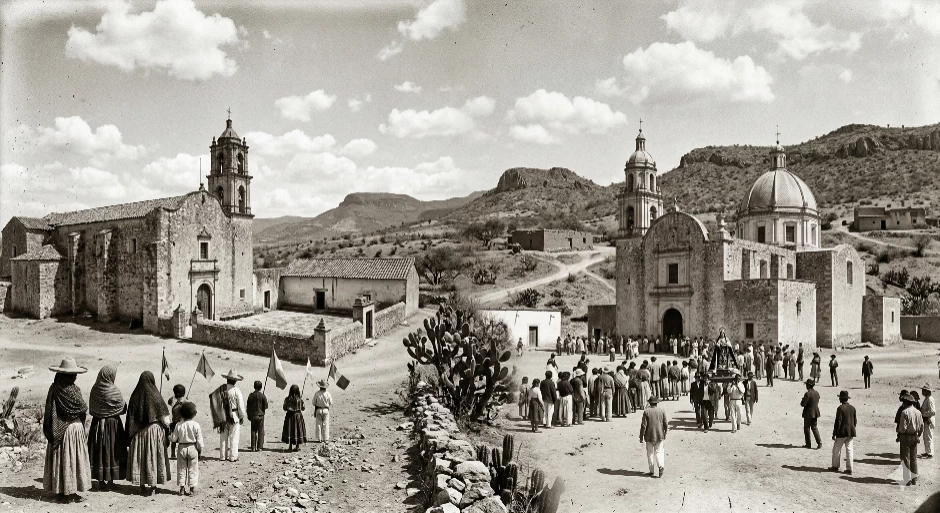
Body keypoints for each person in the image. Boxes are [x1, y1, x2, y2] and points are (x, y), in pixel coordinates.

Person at [42, 358, 92, 503]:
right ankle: (70, 492)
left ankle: (60, 492)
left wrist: (51, 430)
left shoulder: (54, 388)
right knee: (72, 459)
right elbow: (82, 408)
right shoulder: (73, 390)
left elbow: (49, 411)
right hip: (73, 429)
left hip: (58, 429)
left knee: (62, 460)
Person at [127, 371, 172, 496]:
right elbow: (166, 420)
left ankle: (141, 486)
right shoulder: (156, 396)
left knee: (140, 457)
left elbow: (130, 417)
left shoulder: (135, 396)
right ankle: (152, 486)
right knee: (153, 457)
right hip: (154, 431)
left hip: (139, 433)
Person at [87, 365, 127, 491]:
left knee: (100, 450)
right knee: (111, 450)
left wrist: (102, 412)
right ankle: (110, 481)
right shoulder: (114, 390)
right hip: (112, 425)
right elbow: (123, 408)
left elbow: (92, 408)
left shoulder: (95, 389)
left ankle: (100, 481)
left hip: (97, 424)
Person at [168, 402, 204, 496]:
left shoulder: (178, 425)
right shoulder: (196, 425)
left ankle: (181, 489)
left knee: (181, 468)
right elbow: (199, 441)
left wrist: (169, 436)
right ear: (194, 414)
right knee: (193, 469)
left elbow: (174, 439)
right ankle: (192, 489)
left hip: (181, 448)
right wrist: (200, 450)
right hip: (193, 447)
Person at [214, 370, 246, 461]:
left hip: (223, 415)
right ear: (235, 381)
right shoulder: (236, 391)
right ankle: (233, 456)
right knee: (234, 436)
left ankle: (222, 456)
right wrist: (241, 416)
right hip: (234, 415)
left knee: (223, 436)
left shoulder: (221, 390)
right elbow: (240, 405)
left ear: (227, 379)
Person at [896, 392, 924, 486]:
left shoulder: (905, 412)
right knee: (913, 458)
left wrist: (900, 434)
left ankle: (907, 479)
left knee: (905, 458)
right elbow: (921, 427)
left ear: (906, 403)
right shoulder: (918, 412)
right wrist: (918, 436)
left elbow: (902, 428)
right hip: (914, 436)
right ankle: (914, 478)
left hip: (906, 436)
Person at [639, 396, 668, 478]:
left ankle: (651, 470)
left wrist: (641, 436)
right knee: (659, 452)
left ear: (649, 403)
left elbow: (643, 426)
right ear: (656, 403)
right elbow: (665, 423)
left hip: (649, 436)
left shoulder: (646, 411)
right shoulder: (662, 411)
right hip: (659, 435)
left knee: (650, 453)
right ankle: (661, 466)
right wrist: (665, 432)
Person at [830, 390, 857, 475]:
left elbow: (838, 422)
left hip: (841, 432)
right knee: (849, 450)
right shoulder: (853, 408)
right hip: (850, 432)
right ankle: (850, 468)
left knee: (836, 449)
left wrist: (835, 433)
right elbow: (855, 421)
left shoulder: (840, 408)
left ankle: (835, 466)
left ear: (841, 399)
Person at [281, 384, 307, 451]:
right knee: (297, 430)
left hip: (289, 416)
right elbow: (303, 408)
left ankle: (290, 447)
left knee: (289, 430)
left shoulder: (287, 399)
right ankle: (297, 446)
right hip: (298, 415)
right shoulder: (300, 400)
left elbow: (284, 408)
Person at [247, 380, 268, 452]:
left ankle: (253, 447)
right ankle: (259, 447)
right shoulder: (262, 396)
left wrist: (249, 415)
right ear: (261, 387)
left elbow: (248, 406)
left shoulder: (251, 396)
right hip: (260, 415)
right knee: (260, 431)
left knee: (253, 431)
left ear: (254, 387)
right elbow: (266, 406)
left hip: (253, 415)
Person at [801, 379, 822, 450]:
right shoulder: (817, 393)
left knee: (806, 428)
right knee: (814, 427)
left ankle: (808, 444)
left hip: (808, 413)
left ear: (808, 386)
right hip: (815, 412)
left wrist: (803, 400)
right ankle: (819, 442)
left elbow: (803, 404)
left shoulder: (807, 394)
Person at [167, 384, 188, 458]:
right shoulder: (185, 401)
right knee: (183, 439)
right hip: (183, 423)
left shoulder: (173, 400)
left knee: (173, 440)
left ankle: (173, 454)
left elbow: (169, 402)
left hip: (175, 422)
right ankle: (182, 453)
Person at [921, 384, 935, 459]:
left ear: (927, 391)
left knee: (929, 436)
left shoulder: (929, 399)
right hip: (927, 420)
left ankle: (930, 453)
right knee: (926, 436)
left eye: (924, 390)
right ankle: (927, 451)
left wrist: (924, 414)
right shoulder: (927, 398)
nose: (922, 391)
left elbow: (932, 411)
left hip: (929, 420)